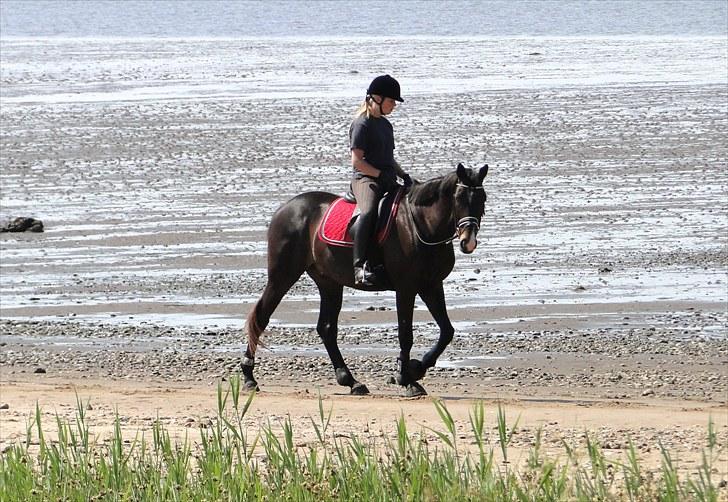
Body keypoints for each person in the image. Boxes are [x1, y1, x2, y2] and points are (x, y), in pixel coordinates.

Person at [349, 74, 412, 287]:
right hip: (366, 180)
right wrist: (379, 174)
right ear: (377, 98)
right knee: (368, 211)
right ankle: (359, 266)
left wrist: (403, 174)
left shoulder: (386, 126)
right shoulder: (361, 124)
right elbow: (357, 161)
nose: (394, 105)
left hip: (386, 178)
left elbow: (388, 158)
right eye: (392, 101)